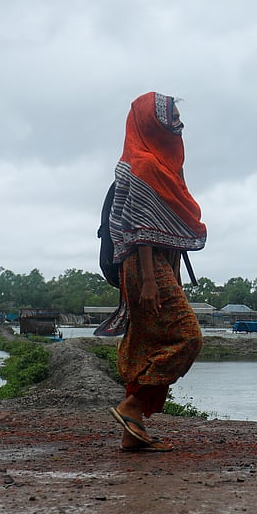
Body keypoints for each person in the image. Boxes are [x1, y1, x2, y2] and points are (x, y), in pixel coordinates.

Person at [97, 92, 207, 452]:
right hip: (145, 264)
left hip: (157, 262)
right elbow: (141, 227)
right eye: (172, 117)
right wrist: (148, 280)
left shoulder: (161, 163)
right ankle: (132, 405)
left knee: (148, 343)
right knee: (188, 337)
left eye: (178, 117)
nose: (179, 124)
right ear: (151, 122)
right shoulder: (143, 163)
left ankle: (133, 433)